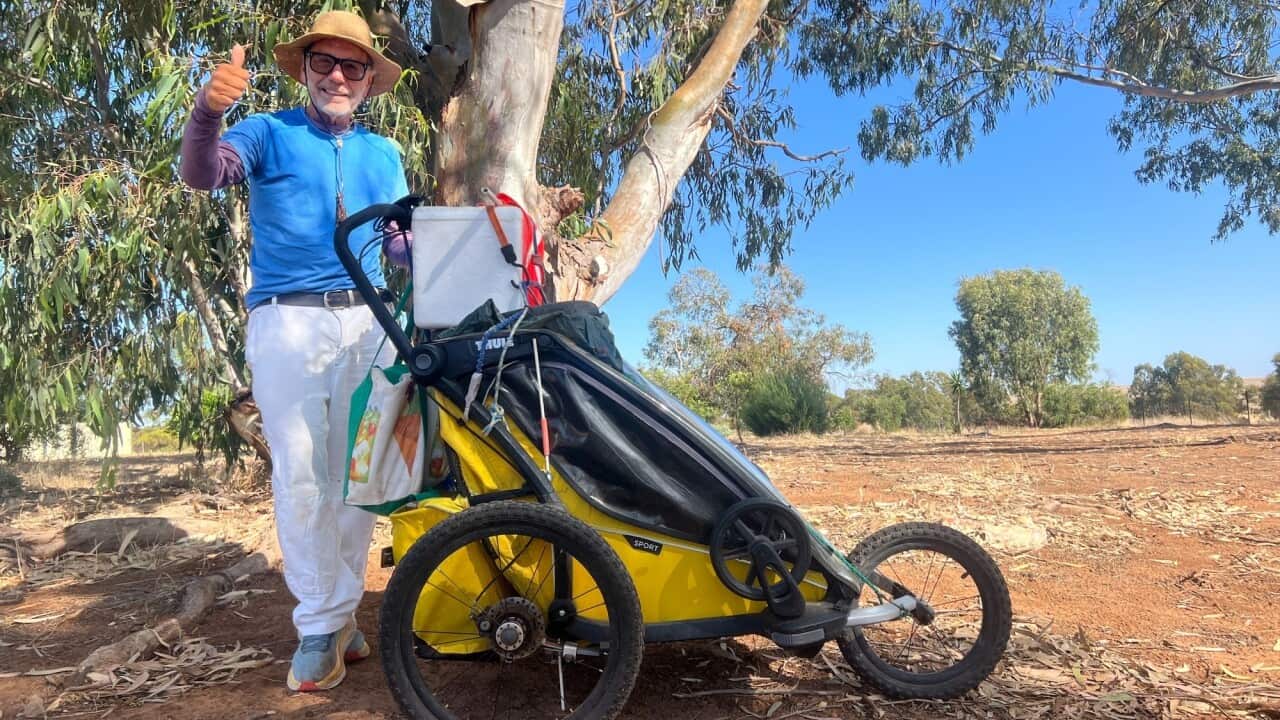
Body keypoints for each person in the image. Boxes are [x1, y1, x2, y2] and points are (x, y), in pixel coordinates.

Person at [178, 10, 408, 692]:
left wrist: (432, 247)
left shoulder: (385, 154)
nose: (338, 76)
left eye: (353, 66)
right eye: (325, 64)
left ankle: (339, 615)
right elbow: (203, 174)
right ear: (305, 70)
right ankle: (318, 624)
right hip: (288, 323)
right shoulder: (267, 131)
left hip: (370, 325)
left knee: (358, 478)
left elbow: (396, 245)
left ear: (370, 79)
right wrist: (205, 114)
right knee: (303, 477)